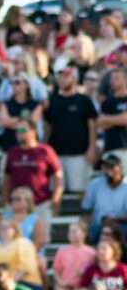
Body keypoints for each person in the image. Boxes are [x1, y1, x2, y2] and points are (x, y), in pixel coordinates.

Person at [44, 65, 98, 194]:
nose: (61, 80)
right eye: (60, 77)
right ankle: (54, 215)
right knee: (56, 190)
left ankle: (85, 214)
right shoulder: (53, 100)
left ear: (74, 78)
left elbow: (92, 125)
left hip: (79, 153)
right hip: (56, 153)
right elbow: (48, 125)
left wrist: (92, 148)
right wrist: (45, 147)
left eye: (65, 77)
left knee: (82, 190)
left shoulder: (84, 100)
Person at [1, 119, 64, 226]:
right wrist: (4, 200)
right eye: (16, 130)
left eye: (22, 129)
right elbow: (7, 179)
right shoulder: (12, 152)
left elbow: (58, 179)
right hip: (17, 204)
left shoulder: (45, 151)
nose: (18, 133)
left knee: (41, 239)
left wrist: (55, 202)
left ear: (33, 131)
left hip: (40, 203)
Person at [82, 154, 127, 243]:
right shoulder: (95, 183)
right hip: (99, 225)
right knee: (84, 232)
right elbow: (86, 209)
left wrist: (113, 219)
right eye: (106, 167)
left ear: (120, 168)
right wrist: (87, 221)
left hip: (122, 225)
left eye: (111, 167)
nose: (108, 171)